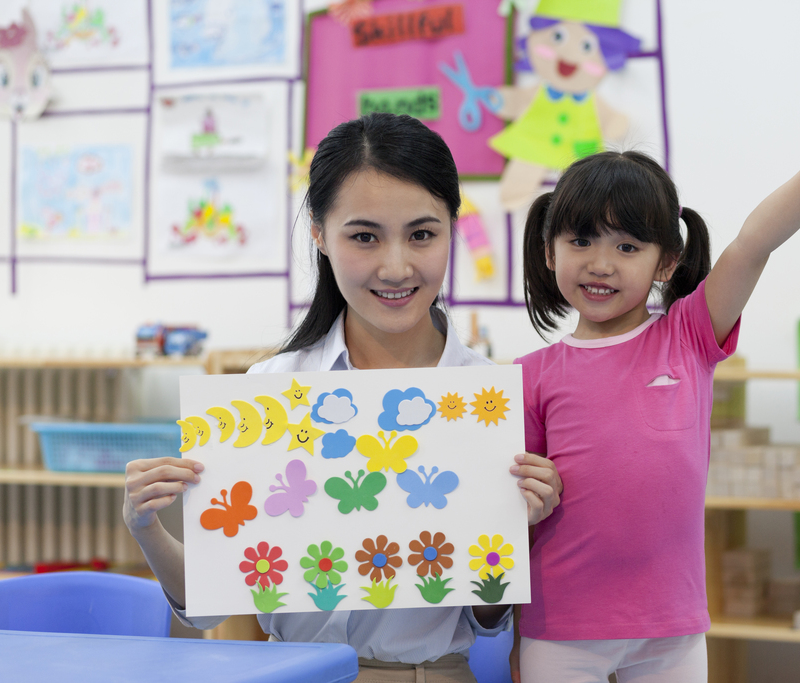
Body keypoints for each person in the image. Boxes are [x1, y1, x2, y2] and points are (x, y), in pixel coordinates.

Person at [123, 113, 562, 683]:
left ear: (452, 228)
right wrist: (147, 527)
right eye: (364, 236)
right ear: (318, 232)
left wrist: (518, 529)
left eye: (422, 234)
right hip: (289, 674)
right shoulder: (270, 394)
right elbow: (207, 606)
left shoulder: (484, 402)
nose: (396, 266)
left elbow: (488, 621)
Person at [513, 100, 800, 682]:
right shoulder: (527, 374)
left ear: (667, 262)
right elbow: (514, 508)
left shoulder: (688, 334)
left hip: (672, 626)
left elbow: (754, 244)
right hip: (561, 625)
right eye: (581, 242)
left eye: (628, 247)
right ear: (548, 249)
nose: (601, 264)